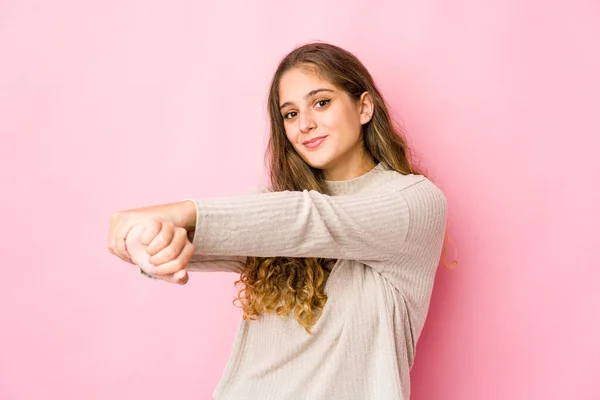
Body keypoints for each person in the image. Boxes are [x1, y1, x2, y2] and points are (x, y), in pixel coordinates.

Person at [108, 41, 456, 400]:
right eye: (290, 114)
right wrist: (146, 242)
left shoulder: (414, 203)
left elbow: (311, 221)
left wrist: (178, 211)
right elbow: (199, 241)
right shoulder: (271, 209)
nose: (305, 124)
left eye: (321, 102)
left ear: (364, 107)